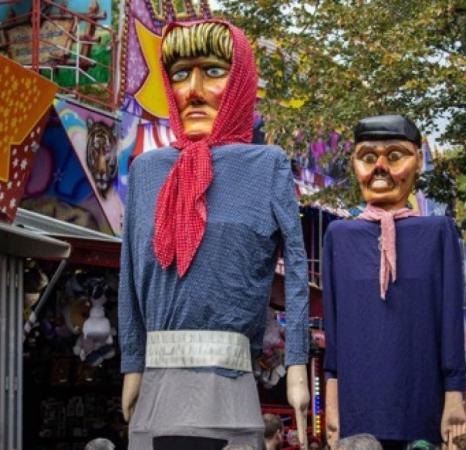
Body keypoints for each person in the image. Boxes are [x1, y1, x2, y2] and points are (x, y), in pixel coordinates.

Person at [118, 19, 310, 450]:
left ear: (240, 80)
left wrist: (297, 362)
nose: (194, 90)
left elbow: (297, 269)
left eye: (214, 71)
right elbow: (128, 276)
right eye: (180, 74)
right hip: (157, 388)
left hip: (230, 388)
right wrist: (132, 365)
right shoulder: (147, 171)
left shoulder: (267, 166)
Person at [321, 115, 466, 450]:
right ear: (354, 164)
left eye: (396, 156)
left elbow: (450, 321)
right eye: (368, 158)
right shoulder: (339, 236)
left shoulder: (438, 232)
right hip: (355, 407)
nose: (380, 168)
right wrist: (331, 400)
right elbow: (334, 327)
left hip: (422, 402)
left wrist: (455, 395)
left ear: (417, 162)